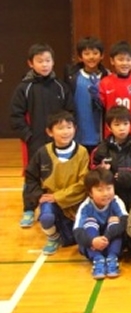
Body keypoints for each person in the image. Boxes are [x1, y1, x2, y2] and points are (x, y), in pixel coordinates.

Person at [10, 43, 75, 228]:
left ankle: (55, 206)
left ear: (53, 62)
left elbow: (70, 111)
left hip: (59, 141)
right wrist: (28, 135)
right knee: (33, 174)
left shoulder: (60, 87)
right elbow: (16, 115)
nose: (44, 65)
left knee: (57, 173)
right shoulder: (25, 88)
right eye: (40, 61)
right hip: (35, 140)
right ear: (31, 63)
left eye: (48, 60)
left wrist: (65, 133)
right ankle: (29, 208)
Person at [23, 111, 89, 255]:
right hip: (51, 200)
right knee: (46, 217)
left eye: (69, 127)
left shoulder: (83, 152)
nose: (65, 132)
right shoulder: (42, 153)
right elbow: (31, 177)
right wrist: (38, 195)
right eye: (60, 128)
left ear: (75, 129)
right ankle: (53, 238)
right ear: (50, 132)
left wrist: (58, 196)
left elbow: (83, 183)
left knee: (79, 237)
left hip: (75, 201)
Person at [73, 168, 128, 279]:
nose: (106, 193)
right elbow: (77, 231)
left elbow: (126, 220)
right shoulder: (85, 206)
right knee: (89, 222)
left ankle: (112, 258)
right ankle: (97, 259)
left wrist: (106, 237)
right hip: (93, 244)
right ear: (90, 193)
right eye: (100, 190)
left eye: (109, 188)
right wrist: (92, 241)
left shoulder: (116, 201)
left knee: (116, 221)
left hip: (111, 240)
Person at [91, 106, 131, 209]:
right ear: (109, 127)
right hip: (110, 199)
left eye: (125, 124)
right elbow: (91, 172)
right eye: (117, 124)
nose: (122, 128)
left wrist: (124, 175)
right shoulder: (100, 150)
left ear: (130, 125)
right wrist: (101, 170)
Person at [64, 36, 109, 155]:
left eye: (95, 53)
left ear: (102, 55)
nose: (91, 57)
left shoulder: (108, 77)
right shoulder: (72, 77)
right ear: (80, 57)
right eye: (87, 53)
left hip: (101, 135)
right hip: (78, 134)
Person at [95, 40, 131, 139]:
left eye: (128, 60)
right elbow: (100, 107)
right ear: (112, 61)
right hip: (111, 134)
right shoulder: (105, 82)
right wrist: (95, 96)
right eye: (121, 59)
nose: (125, 63)